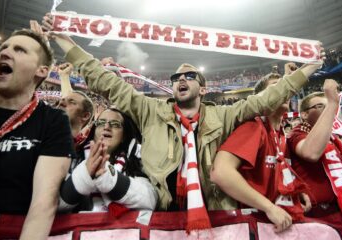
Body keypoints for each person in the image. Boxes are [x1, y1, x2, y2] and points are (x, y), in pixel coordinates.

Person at [41, 15, 322, 230]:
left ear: (203, 88)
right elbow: (107, 83)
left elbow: (264, 100)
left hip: (216, 215)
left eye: (189, 77)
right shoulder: (149, 110)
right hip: (160, 214)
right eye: (176, 79)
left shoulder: (224, 115)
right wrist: (67, 42)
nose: (181, 80)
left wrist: (307, 70)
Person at [0, 28, 73, 239]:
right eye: (3, 47)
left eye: (19, 50)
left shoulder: (53, 121)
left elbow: (44, 203)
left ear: (41, 71)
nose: (4, 53)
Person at [211, 64, 311, 233]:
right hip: (255, 224)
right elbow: (220, 172)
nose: (283, 92)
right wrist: (269, 207)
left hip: (275, 224)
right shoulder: (254, 127)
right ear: (264, 97)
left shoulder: (281, 135)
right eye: (275, 88)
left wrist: (295, 192)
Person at [287, 80, 342, 217]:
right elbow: (311, 153)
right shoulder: (297, 134)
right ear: (305, 114)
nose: (328, 109)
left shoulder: (335, 138)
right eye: (321, 106)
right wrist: (331, 103)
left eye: (328, 105)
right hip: (318, 215)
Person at [59, 107, 157, 212]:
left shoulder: (137, 159)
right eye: (101, 122)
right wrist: (85, 172)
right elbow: (55, 203)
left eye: (115, 124)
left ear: (124, 135)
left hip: (123, 227)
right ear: (94, 130)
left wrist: (108, 177)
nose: (106, 127)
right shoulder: (73, 158)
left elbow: (151, 200)